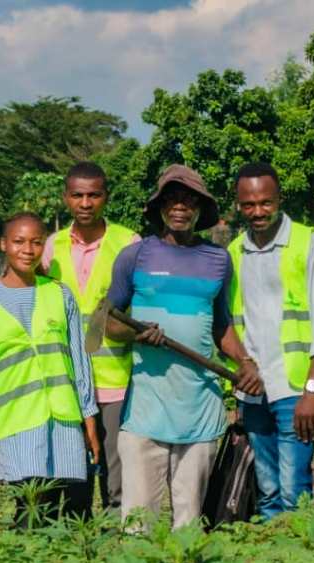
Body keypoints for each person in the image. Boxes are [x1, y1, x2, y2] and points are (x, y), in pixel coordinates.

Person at [106, 164, 263, 530]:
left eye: (189, 200)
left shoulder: (218, 260)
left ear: (199, 209)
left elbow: (221, 324)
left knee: (189, 523)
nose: (180, 207)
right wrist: (137, 333)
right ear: (159, 206)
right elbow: (110, 323)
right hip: (145, 410)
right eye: (172, 199)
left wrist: (244, 362)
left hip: (199, 410)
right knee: (137, 522)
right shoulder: (135, 256)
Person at [0, 212, 102, 527]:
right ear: (3, 245)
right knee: (30, 507)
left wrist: (89, 416)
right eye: (18, 242)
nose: (27, 250)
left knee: (69, 509)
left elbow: (79, 360)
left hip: (63, 420)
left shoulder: (59, 293)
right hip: (14, 423)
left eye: (36, 242)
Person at [227, 162, 314, 520]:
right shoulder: (233, 252)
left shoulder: (309, 244)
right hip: (254, 389)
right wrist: (239, 385)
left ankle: (300, 559)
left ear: (279, 199)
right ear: (238, 204)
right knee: (267, 490)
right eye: (249, 205)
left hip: (295, 389)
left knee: (294, 489)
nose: (258, 212)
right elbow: (231, 323)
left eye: (266, 203)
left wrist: (311, 391)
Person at [42, 161, 140, 511]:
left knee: (117, 476)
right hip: (67, 382)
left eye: (93, 195)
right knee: (75, 473)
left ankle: (119, 547)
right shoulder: (50, 248)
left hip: (114, 379)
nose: (86, 203)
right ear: (65, 198)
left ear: (106, 197)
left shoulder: (129, 243)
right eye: (78, 195)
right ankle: (80, 549)